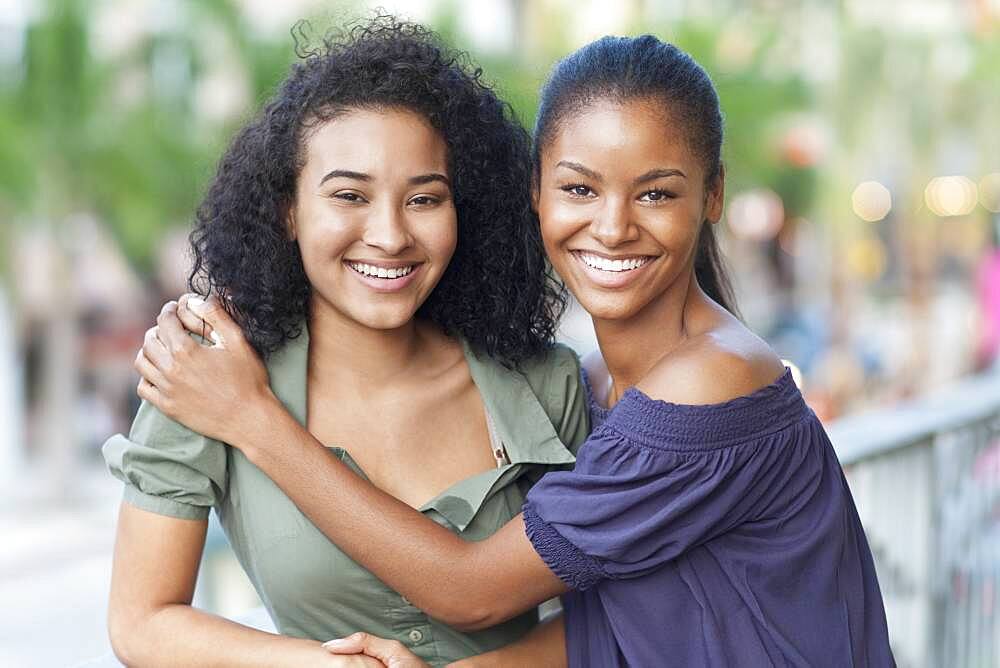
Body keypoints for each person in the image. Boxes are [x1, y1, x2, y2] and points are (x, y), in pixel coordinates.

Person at [140, 35, 895, 667]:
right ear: (535, 193)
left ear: (714, 195)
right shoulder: (598, 381)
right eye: (580, 189)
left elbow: (472, 589)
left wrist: (252, 419)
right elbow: (611, 625)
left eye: (657, 194)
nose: (613, 227)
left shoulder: (707, 381)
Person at [103, 17, 591, 668]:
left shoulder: (545, 382)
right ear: (289, 210)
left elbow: (608, 621)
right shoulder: (207, 380)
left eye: (424, 199)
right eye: (349, 196)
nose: (389, 235)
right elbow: (141, 622)